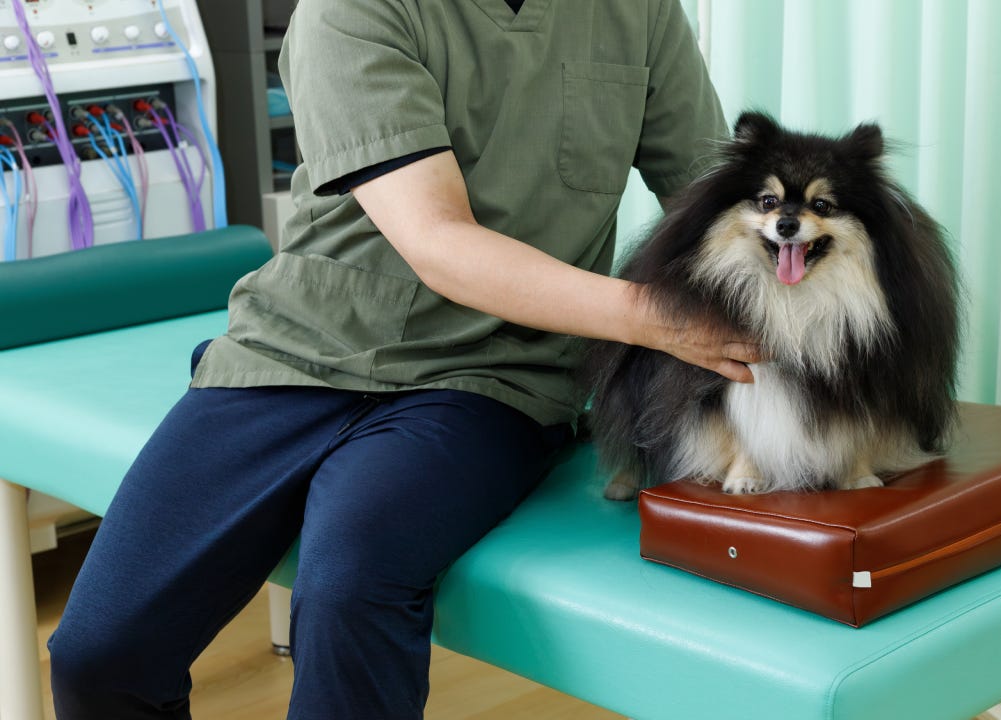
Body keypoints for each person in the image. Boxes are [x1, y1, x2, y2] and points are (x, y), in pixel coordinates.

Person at [46, 0, 759, 718]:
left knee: (350, 594)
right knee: (99, 655)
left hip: (495, 373)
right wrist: (659, 321)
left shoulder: (637, 12)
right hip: (295, 353)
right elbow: (437, 240)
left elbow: (715, 202)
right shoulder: (349, 10)